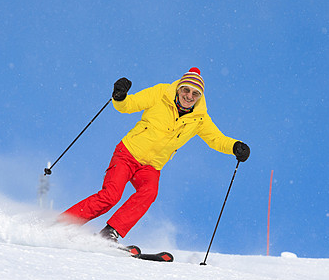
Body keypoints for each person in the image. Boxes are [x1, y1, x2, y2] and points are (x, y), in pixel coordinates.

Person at [61, 67, 250, 242]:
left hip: (151, 166)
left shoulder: (199, 119)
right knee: (111, 195)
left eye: (195, 93)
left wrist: (235, 146)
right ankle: (63, 224)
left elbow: (216, 139)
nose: (189, 96)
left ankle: (111, 232)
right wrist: (120, 96)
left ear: (200, 97)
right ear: (178, 89)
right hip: (128, 154)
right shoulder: (161, 94)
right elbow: (130, 105)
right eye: (185, 90)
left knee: (149, 192)